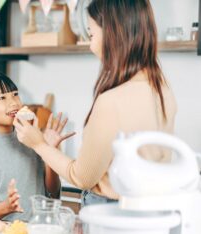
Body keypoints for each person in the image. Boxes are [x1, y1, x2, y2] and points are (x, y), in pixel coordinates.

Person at [13, 0, 177, 206]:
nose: (91, 46)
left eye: (91, 35)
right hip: (151, 210)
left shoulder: (112, 101)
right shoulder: (162, 89)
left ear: (113, 34)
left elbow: (82, 177)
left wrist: (39, 144)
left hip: (111, 212)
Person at [0, 70, 65, 221]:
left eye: (15, 94)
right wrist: (6, 207)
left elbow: (52, 194)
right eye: (2, 98)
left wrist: (49, 150)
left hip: (40, 230)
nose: (14, 102)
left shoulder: (32, 139)